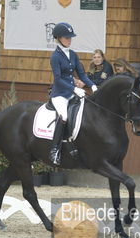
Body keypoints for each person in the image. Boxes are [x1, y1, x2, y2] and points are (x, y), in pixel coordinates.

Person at [49, 22, 98, 165]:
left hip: (72, 92)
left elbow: (82, 75)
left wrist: (93, 85)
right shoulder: (55, 57)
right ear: (58, 38)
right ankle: (55, 150)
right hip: (59, 94)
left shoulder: (73, 54)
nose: (69, 40)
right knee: (64, 116)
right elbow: (57, 79)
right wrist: (74, 89)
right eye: (66, 38)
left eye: (70, 38)